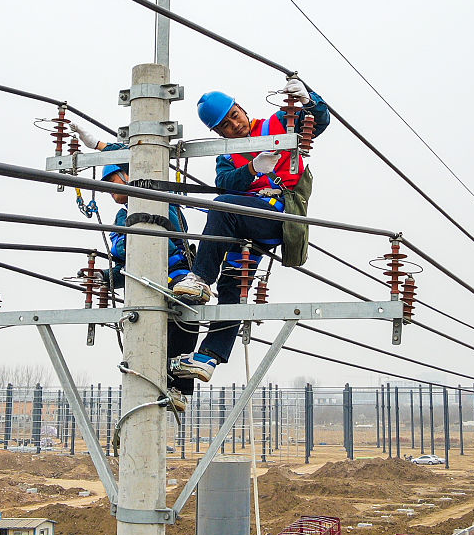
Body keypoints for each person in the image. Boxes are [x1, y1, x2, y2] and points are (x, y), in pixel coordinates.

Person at [168, 76, 330, 383]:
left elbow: (317, 122)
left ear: (241, 109)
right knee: (233, 282)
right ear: (217, 132)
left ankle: (200, 277)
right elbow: (225, 182)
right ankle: (208, 357)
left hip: (278, 215)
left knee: (223, 207)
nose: (234, 125)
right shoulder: (227, 155)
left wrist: (309, 99)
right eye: (225, 125)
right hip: (247, 224)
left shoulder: (276, 124)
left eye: (234, 116)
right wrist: (253, 168)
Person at [68, 126, 197, 411]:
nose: (113, 191)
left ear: (128, 175)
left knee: (186, 317)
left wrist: (102, 146)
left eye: (114, 180)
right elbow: (124, 260)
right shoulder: (121, 215)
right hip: (142, 283)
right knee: (148, 336)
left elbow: (172, 234)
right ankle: (158, 382)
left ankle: (179, 386)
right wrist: (105, 276)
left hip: (175, 274)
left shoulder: (163, 200)